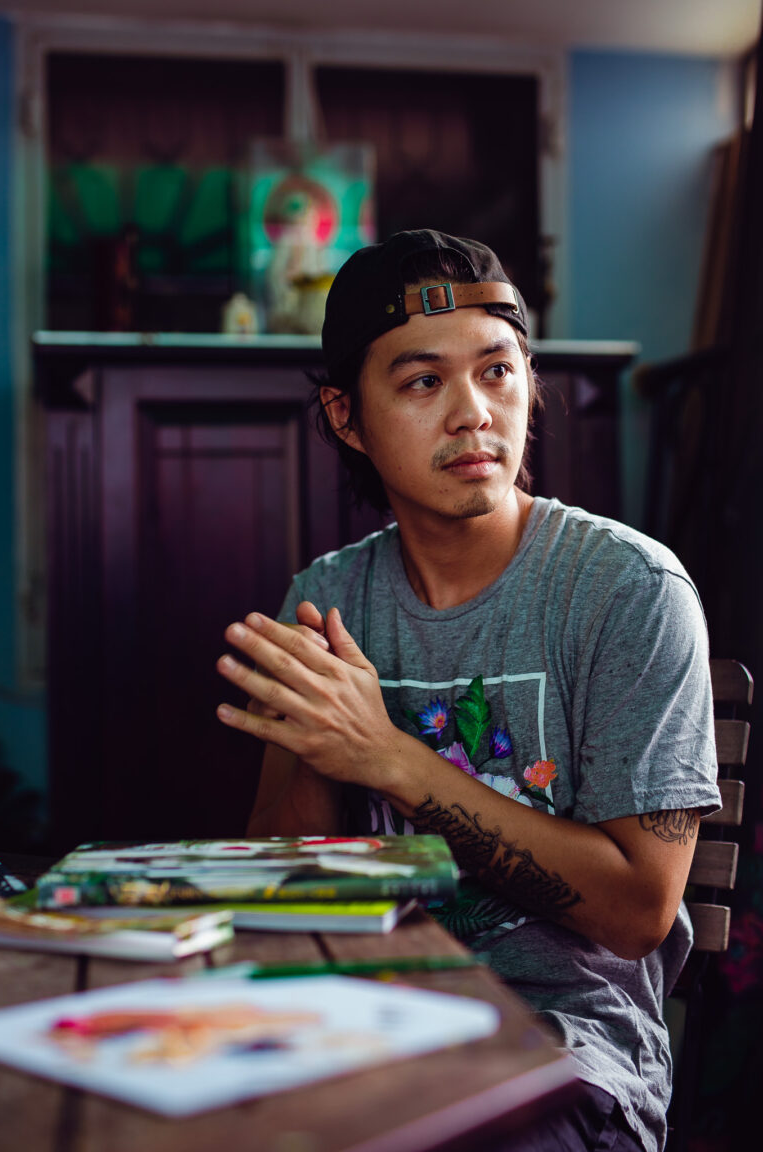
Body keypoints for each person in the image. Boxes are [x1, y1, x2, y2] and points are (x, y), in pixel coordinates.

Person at [216, 229, 720, 1152]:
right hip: (356, 1023)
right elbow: (284, 894)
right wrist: (313, 740)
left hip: (565, 1056)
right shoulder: (328, 600)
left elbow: (639, 911)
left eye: (497, 372)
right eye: (422, 382)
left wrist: (391, 759)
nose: (474, 415)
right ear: (345, 416)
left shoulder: (628, 591)